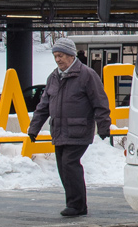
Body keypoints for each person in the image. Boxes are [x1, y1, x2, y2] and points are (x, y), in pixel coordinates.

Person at [29, 38, 111, 217]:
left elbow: (100, 102)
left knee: (70, 164)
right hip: (59, 131)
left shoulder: (87, 75)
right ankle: (75, 203)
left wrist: (104, 127)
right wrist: (33, 129)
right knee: (63, 166)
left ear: (71, 55)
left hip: (78, 130)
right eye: (55, 56)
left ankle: (77, 205)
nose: (58, 59)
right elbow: (44, 106)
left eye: (61, 55)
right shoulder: (53, 77)